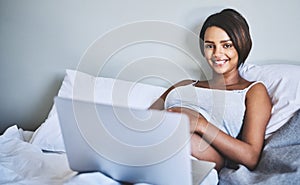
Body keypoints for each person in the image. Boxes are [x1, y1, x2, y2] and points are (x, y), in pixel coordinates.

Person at [149, 8, 272, 171]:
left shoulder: (253, 91)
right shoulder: (183, 84)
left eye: (226, 45)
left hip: (191, 158)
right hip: (151, 145)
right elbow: (145, 120)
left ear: (241, 46)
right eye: (210, 46)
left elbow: (251, 157)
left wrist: (201, 125)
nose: (217, 53)